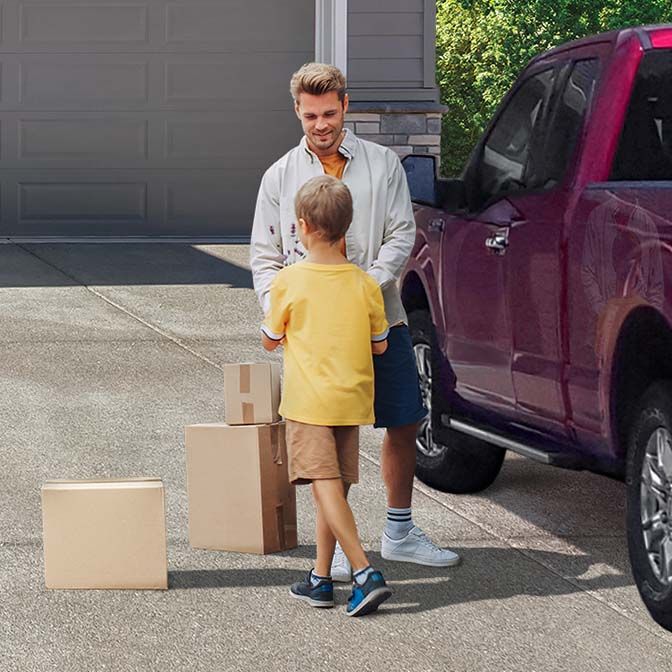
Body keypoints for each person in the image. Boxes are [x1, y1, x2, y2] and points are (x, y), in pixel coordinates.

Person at [251, 62, 460, 582]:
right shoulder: (279, 177)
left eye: (328, 113)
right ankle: (342, 546)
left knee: (404, 417)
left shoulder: (381, 165)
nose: (320, 124)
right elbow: (265, 257)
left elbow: (401, 234)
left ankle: (400, 529)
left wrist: (361, 288)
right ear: (297, 112)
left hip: (378, 315)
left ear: (345, 105)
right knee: (333, 438)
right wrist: (285, 309)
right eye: (310, 115)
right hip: (314, 336)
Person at [262, 174, 392, 616]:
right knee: (332, 489)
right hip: (351, 401)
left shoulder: (288, 281)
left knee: (323, 486)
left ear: (301, 226)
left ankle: (363, 571)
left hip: (308, 402)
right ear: (346, 227)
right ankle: (320, 578)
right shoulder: (365, 284)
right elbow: (381, 344)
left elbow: (270, 338)